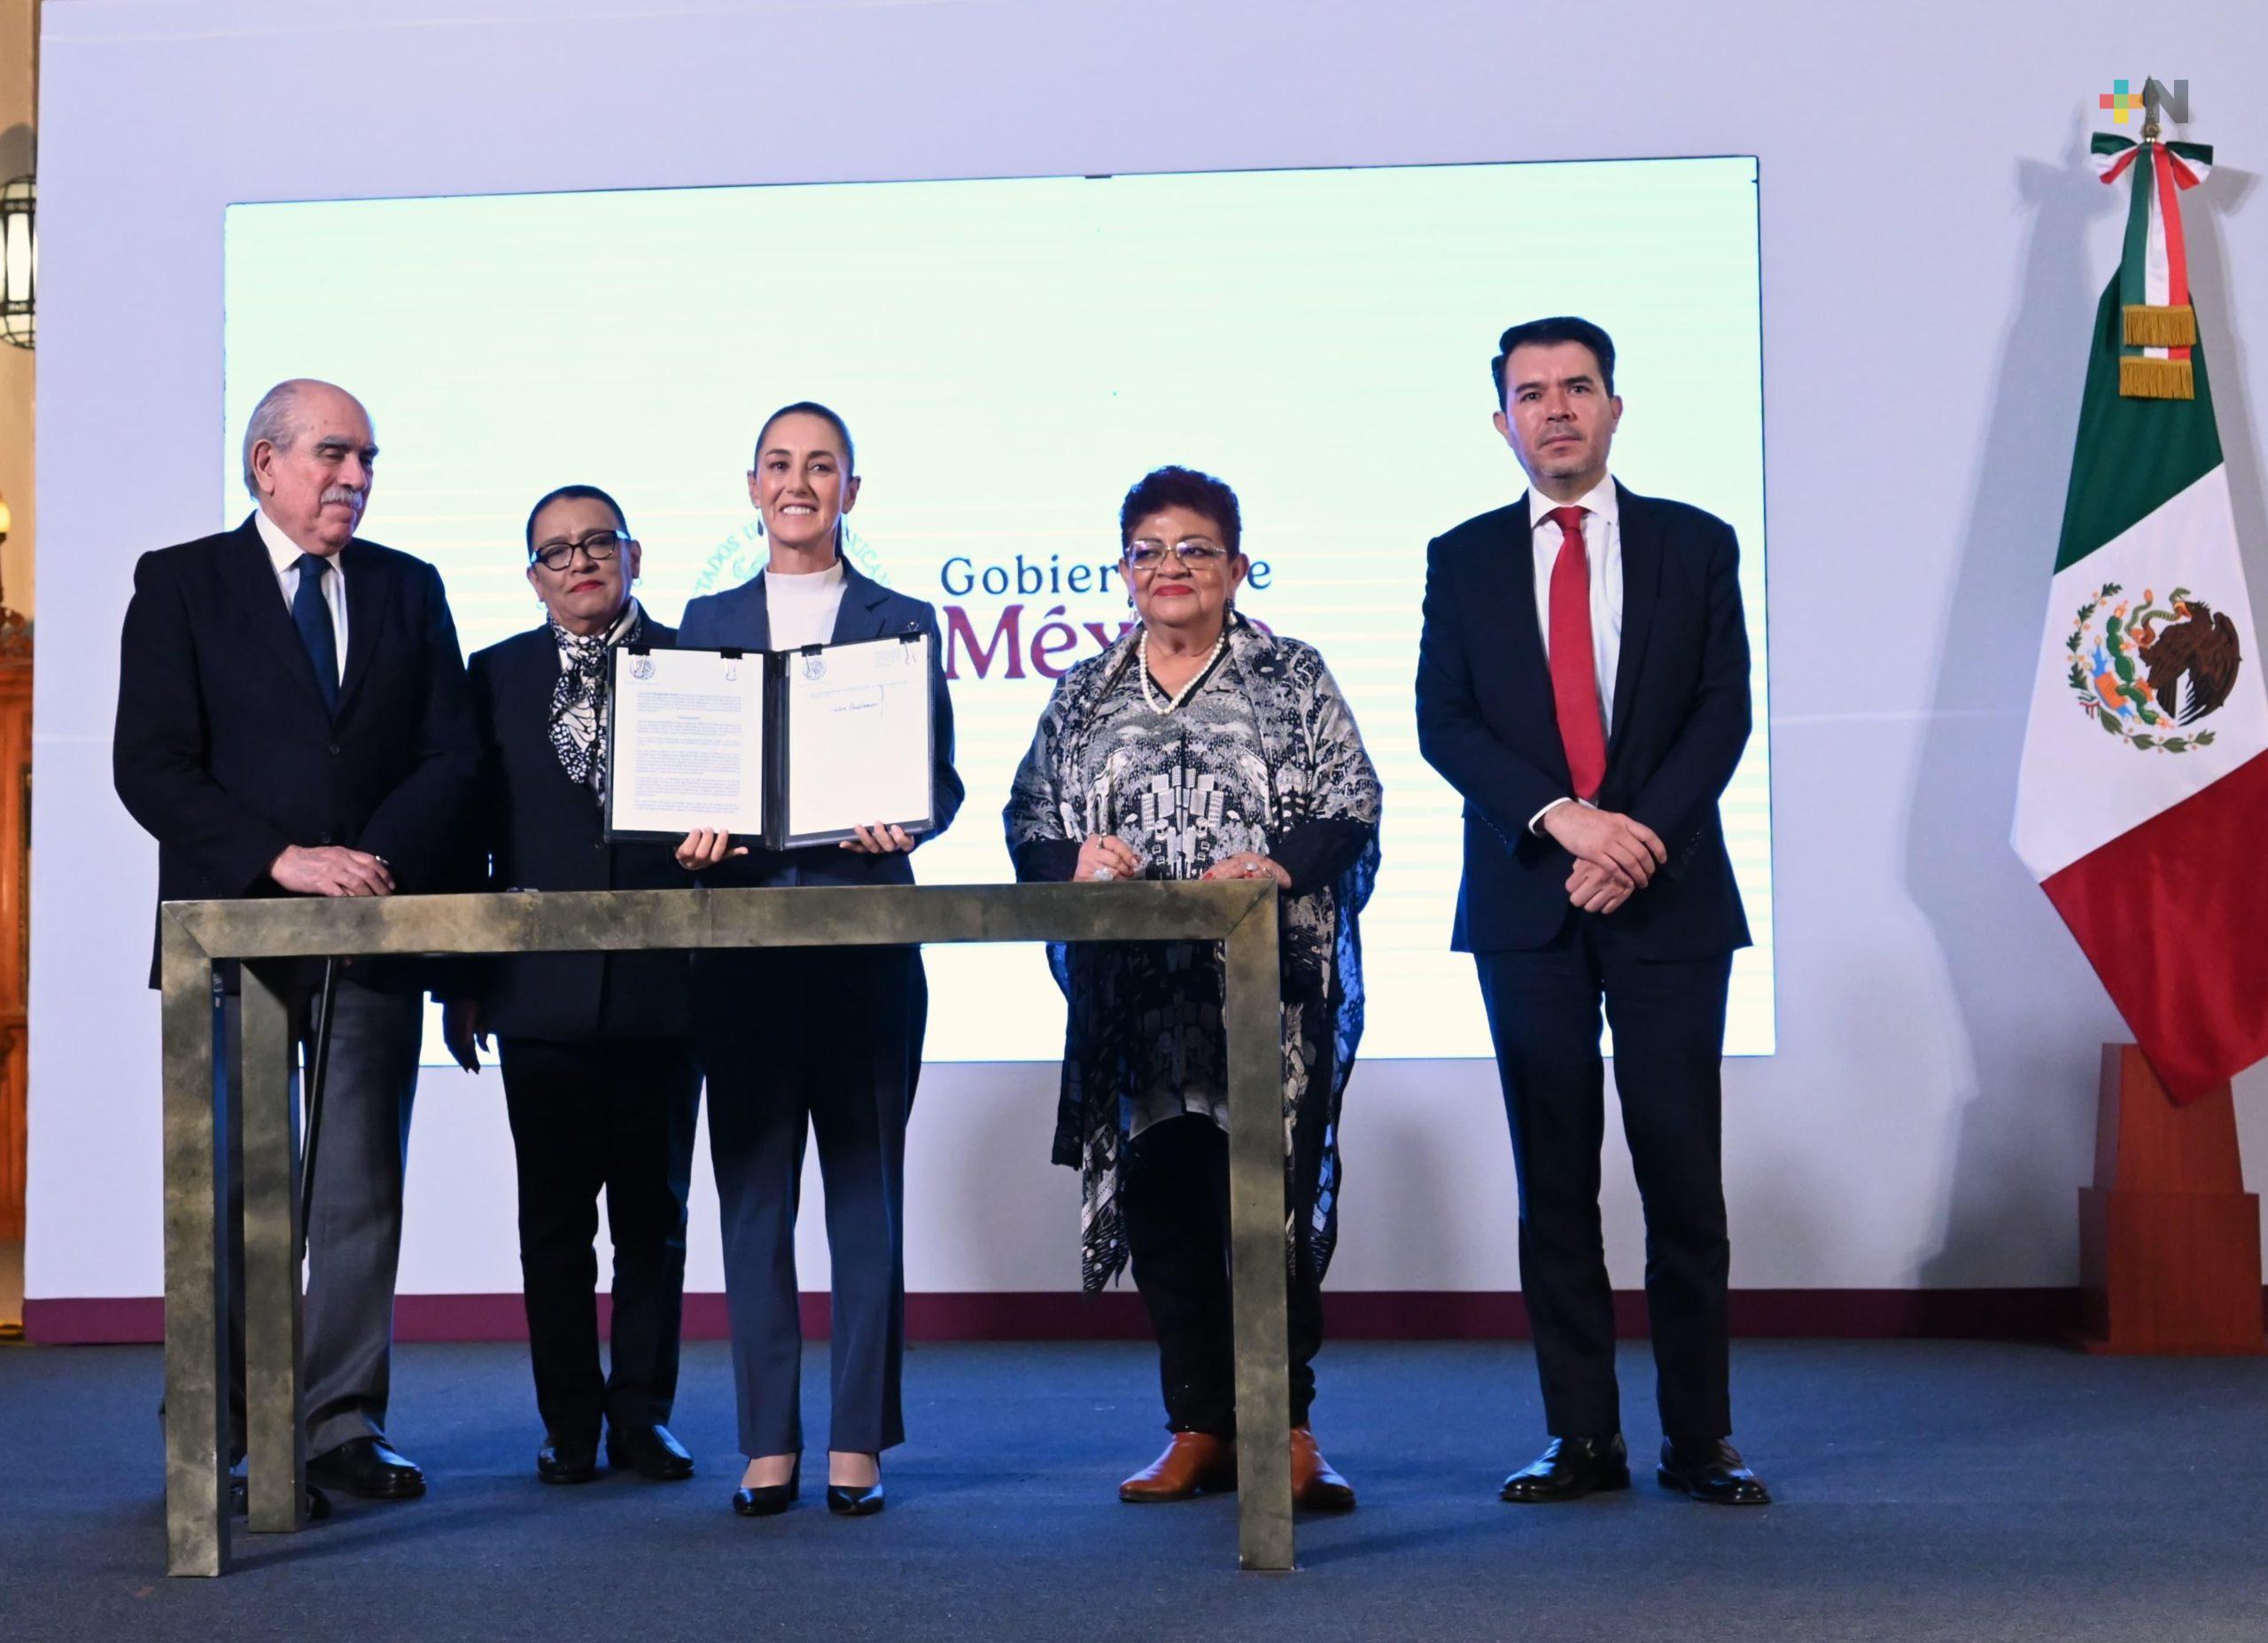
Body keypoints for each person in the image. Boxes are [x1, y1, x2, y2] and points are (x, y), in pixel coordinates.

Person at [1415, 317, 1768, 1506]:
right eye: (1532, 393)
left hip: (1669, 898)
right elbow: (1446, 724)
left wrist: (1639, 837)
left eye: (1578, 388)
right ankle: (1582, 1438)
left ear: (1615, 406)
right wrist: (1568, 821)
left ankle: (1700, 1438)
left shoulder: (1694, 543)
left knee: (1683, 1176)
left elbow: (1722, 712)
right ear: (1501, 419)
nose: (1557, 409)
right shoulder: (1460, 558)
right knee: (1553, 1179)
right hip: (1529, 901)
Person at [113, 378, 478, 1509]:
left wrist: (362, 868)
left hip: (371, 935)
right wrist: (283, 860)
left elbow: (451, 759)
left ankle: (337, 1425)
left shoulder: (408, 589)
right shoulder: (179, 585)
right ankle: (219, 1431)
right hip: (233, 940)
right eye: (333, 455)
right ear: (264, 463)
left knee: (360, 1188)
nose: (356, 479)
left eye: (368, 459)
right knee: (226, 1194)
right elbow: (151, 765)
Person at [1005, 464, 1380, 1511]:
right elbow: (1030, 823)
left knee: (1273, 1214)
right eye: (1149, 551)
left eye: (1195, 549)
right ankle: (1201, 1427)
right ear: (1123, 570)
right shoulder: (1082, 691)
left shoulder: (1291, 675)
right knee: (1167, 1210)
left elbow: (1352, 802)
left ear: (1236, 565)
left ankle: (1288, 1426)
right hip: (1141, 1008)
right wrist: (1072, 862)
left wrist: (1277, 865)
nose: (1170, 568)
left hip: (1269, 1004)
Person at [674, 401, 963, 1518]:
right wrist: (687, 837)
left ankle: (856, 1441)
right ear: (751, 486)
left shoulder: (903, 620)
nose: (800, 483)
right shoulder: (699, 621)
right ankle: (765, 1441)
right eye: (780, 466)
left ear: (853, 488)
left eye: (822, 466)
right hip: (741, 944)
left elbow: (936, 778)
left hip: (865, 939)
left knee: (865, 1198)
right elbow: (679, 780)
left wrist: (911, 819)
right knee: (751, 1201)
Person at [440, 485, 702, 1488]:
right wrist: (460, 974)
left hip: (664, 990)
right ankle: (569, 1424)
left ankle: (642, 1415)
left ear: (633, 553)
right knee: (552, 1227)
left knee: (653, 1222)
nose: (580, 562)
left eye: (598, 543)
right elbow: (471, 834)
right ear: (532, 577)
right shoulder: (493, 676)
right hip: (537, 994)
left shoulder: (697, 667)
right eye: (557, 551)